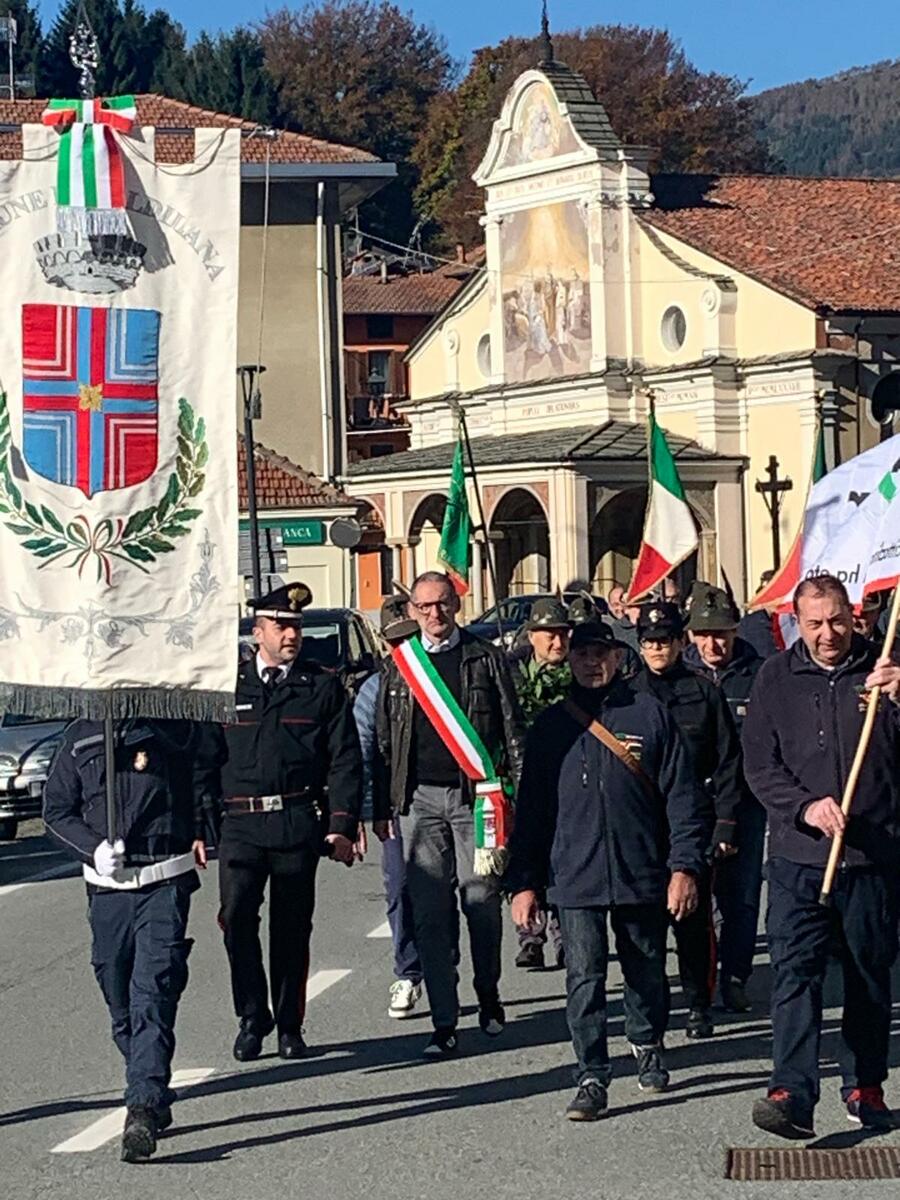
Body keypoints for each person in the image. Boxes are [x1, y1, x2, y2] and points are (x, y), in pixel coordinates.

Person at [507, 619, 709, 1120]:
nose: (592, 664)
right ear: (569, 660)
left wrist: (684, 866)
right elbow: (532, 814)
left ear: (618, 658)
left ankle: (645, 1043)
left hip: (640, 868)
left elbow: (683, 798)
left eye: (602, 655)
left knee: (644, 968)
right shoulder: (551, 727)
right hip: (573, 876)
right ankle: (592, 1073)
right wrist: (523, 883)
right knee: (584, 978)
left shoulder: (649, 714)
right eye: (583, 656)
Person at [744, 575, 900, 1139]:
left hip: (871, 854)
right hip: (798, 857)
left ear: (852, 614)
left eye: (836, 620)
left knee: (868, 976)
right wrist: (804, 807)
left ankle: (865, 1085)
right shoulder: (775, 677)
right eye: (814, 623)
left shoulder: (884, 668)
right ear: (796, 621)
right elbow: (759, 766)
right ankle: (791, 1091)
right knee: (795, 973)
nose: (828, 633)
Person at [200, 581, 362, 1063]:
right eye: (281, 626)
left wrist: (341, 824)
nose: (291, 635)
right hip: (240, 826)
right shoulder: (228, 686)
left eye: (296, 626)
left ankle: (290, 1025)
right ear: (257, 630)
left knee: (292, 929)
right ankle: (253, 1017)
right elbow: (204, 761)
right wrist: (200, 828)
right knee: (236, 919)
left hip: (295, 822)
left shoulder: (321, 685)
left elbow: (344, 759)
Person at [375, 570, 526, 1057]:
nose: (434, 615)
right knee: (430, 914)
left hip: (476, 799)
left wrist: (518, 801)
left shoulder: (486, 659)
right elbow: (383, 739)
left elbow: (512, 730)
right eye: (424, 607)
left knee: (481, 902)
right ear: (413, 611)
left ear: (456, 605)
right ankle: (444, 1020)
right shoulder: (400, 667)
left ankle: (488, 993)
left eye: (442, 605)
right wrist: (382, 805)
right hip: (419, 802)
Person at [43, 719, 209, 1162]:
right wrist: (91, 847)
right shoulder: (80, 737)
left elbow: (204, 764)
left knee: (152, 991)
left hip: (162, 879)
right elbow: (56, 811)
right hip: (107, 888)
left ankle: (143, 1105)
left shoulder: (175, 728)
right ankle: (147, 1077)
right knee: (116, 992)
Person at [632, 601, 743, 1039]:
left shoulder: (704, 691)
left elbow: (729, 761)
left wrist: (726, 825)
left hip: (694, 818)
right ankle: (656, 1005)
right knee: (646, 924)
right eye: (650, 642)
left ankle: (699, 1002)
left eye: (665, 640)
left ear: (681, 642)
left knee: (693, 920)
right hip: (642, 822)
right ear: (640, 647)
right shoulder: (626, 694)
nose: (658, 648)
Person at [684, 583, 765, 1013]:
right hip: (694, 802)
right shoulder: (678, 676)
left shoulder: (760, 672)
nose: (713, 643)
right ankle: (697, 981)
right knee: (693, 893)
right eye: (704, 634)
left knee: (742, 894)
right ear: (691, 636)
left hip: (746, 799)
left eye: (722, 634)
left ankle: (736, 975)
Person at [354, 596, 424, 1018]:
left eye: (412, 638)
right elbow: (362, 752)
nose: (405, 647)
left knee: (458, 894)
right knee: (400, 889)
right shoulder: (374, 688)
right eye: (397, 640)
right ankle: (408, 972)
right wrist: (365, 812)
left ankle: (446, 968)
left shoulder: (445, 677)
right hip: (397, 808)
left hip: (450, 801)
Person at [508, 596, 572, 969]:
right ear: (531, 636)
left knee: (565, 860)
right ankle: (530, 935)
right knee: (525, 855)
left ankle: (565, 936)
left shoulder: (578, 674)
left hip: (567, 781)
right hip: (522, 780)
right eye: (548, 634)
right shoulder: (510, 673)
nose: (557, 643)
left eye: (562, 634)